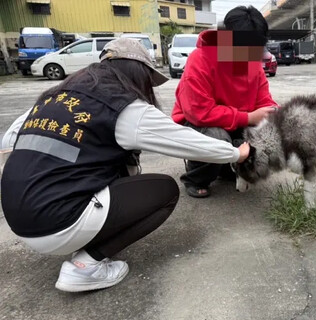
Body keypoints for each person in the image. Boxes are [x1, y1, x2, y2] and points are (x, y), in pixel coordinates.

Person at [0, 38, 249, 293]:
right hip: (57, 224)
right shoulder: (123, 106)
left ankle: (80, 232)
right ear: (137, 72)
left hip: (18, 219)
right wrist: (235, 153)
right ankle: (85, 266)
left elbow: (9, 141)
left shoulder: (57, 95)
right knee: (163, 191)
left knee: (112, 162)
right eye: (147, 79)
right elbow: (185, 141)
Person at [172, 6, 279, 198]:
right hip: (199, 123)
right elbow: (199, 113)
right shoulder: (200, 60)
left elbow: (264, 101)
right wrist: (248, 117)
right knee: (217, 137)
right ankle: (195, 177)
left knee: (270, 132)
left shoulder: (253, 65)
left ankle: (227, 166)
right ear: (225, 40)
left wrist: (275, 115)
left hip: (236, 120)